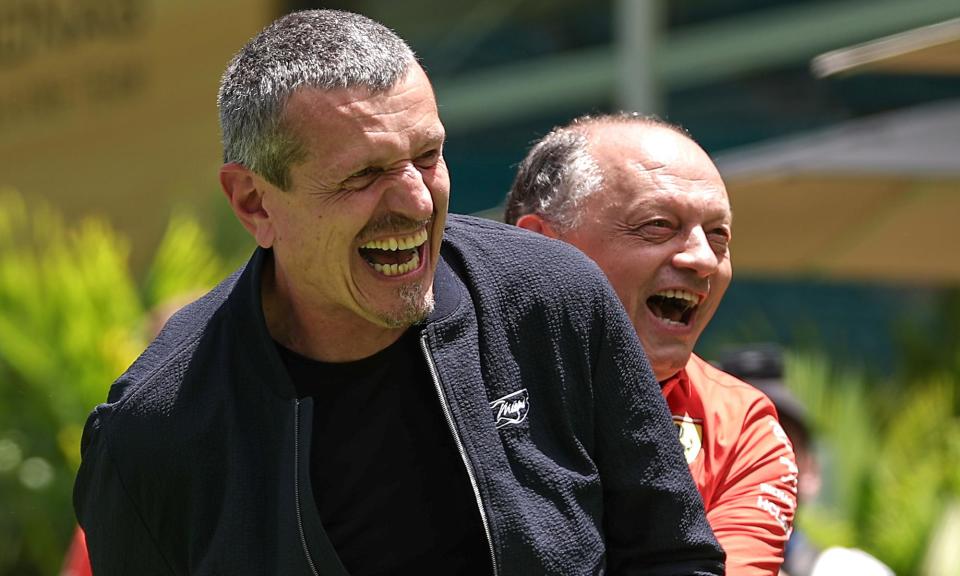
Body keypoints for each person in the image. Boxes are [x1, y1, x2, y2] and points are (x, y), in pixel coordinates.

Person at [73, 10, 725, 575]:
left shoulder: (555, 298)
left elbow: (674, 557)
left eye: (428, 157)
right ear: (253, 202)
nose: (416, 201)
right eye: (365, 174)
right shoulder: (152, 436)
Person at [505, 113, 798, 575]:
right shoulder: (443, 373)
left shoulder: (741, 427)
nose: (703, 259)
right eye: (658, 225)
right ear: (539, 246)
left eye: (718, 235)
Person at [716, 345, 894, 576]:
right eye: (732, 443)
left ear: (811, 470)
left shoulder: (849, 570)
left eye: (773, 444)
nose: (753, 464)